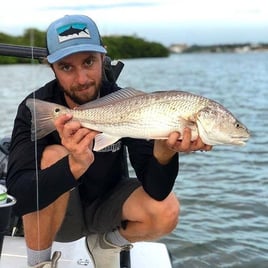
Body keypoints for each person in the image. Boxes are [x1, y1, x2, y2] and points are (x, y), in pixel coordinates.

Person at [6, 14, 212, 268]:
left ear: (103, 58)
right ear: (51, 67)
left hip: (108, 207)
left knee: (166, 210)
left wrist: (165, 149)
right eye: (66, 67)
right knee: (54, 155)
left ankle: (106, 244)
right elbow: (19, 195)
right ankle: (40, 263)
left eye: (89, 61)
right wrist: (75, 164)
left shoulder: (128, 104)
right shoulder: (38, 108)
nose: (81, 79)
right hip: (60, 219)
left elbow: (157, 190)